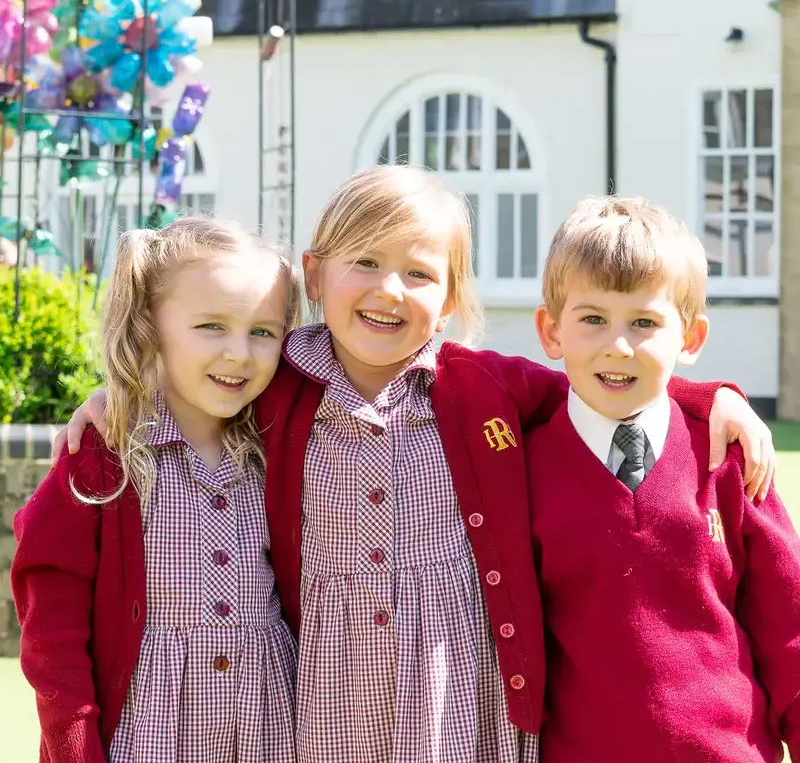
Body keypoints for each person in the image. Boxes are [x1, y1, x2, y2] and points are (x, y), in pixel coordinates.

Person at [54, 167, 775, 763]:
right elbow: (205, 378)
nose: (388, 289)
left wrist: (706, 395)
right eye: (364, 262)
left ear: (452, 297)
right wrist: (118, 394)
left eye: (418, 273)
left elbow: (598, 378)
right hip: (329, 692)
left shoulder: (486, 388)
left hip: (458, 685)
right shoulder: (278, 384)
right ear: (314, 274)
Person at [12, 218, 302, 763]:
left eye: (263, 331)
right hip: (146, 736)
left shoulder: (282, 451)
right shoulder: (103, 459)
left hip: (269, 731)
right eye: (212, 326)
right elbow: (51, 633)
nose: (240, 353)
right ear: (149, 326)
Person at [526, 195, 800, 761]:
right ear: (551, 332)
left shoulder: (732, 454)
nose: (618, 345)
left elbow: (790, 632)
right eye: (593, 319)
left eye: (645, 322)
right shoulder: (522, 465)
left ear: (690, 338)